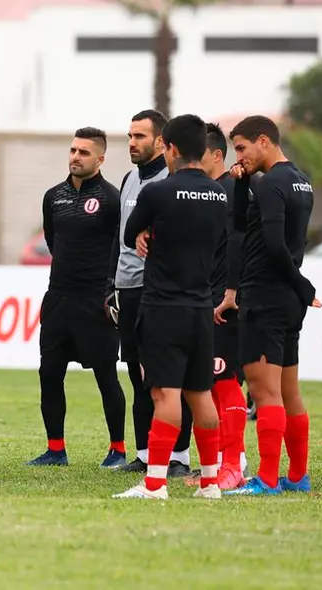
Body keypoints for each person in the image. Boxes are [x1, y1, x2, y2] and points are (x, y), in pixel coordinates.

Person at [114, 114, 227, 500]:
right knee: (201, 395)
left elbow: (130, 234)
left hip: (164, 305)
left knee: (164, 394)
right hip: (200, 306)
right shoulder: (218, 194)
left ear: (171, 148)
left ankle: (155, 484)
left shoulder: (158, 192)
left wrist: (146, 231)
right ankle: (210, 483)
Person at [225, 115, 321, 496]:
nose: (240, 156)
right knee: (289, 390)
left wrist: (302, 284)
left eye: (243, 148)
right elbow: (246, 224)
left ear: (264, 141)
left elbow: (272, 243)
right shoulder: (300, 180)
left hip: (266, 295)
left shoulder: (272, 185)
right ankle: (297, 476)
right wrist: (243, 183)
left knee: (266, 394)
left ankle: (266, 479)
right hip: (286, 301)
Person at [27, 127, 127, 469]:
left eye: (84, 152)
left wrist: (110, 289)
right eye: (72, 150)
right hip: (58, 299)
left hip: (95, 300)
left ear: (99, 159)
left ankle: (118, 449)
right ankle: (56, 449)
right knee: (49, 373)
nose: (75, 157)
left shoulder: (112, 199)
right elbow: (54, 242)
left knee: (105, 376)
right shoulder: (53, 196)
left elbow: (120, 246)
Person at [115, 109, 193, 478]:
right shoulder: (129, 178)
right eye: (130, 136)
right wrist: (110, 287)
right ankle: (145, 452)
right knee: (136, 375)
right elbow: (120, 240)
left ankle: (178, 456)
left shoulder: (171, 180)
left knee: (169, 379)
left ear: (162, 142)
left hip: (160, 291)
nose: (132, 143)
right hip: (127, 290)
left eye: (140, 137)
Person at [196, 123, 252, 489]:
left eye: (197, 153)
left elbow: (239, 243)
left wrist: (231, 292)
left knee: (226, 378)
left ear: (217, 155)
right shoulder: (211, 192)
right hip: (208, 295)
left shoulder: (230, 191)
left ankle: (234, 462)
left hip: (227, 299)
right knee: (212, 381)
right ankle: (218, 464)